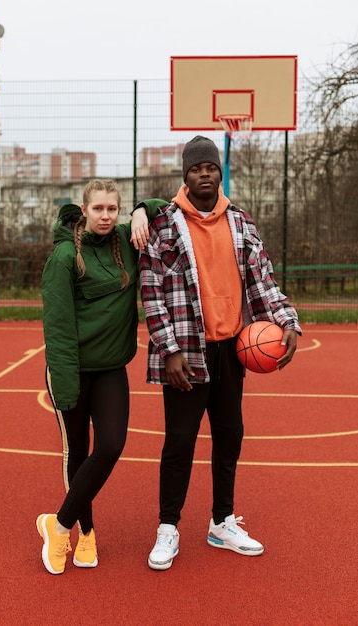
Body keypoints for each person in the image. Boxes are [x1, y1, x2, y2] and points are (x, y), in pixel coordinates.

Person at [139, 135, 302, 571]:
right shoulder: (164, 225)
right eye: (196, 169)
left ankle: (222, 521)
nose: (205, 174)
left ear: (219, 172)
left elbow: (263, 282)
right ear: (186, 176)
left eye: (210, 167)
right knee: (179, 443)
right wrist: (169, 350)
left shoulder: (242, 223)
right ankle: (168, 527)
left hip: (233, 350)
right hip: (186, 354)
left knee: (230, 436)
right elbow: (151, 293)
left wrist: (287, 321)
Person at [37, 179, 164, 575]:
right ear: (85, 210)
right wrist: (66, 385)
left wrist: (143, 207)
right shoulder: (63, 257)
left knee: (110, 445)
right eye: (98, 209)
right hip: (71, 369)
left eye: (113, 208)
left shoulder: (127, 238)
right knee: (77, 450)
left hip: (110, 367)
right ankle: (86, 533)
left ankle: (56, 525)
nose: (106, 216)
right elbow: (57, 326)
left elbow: (170, 207)